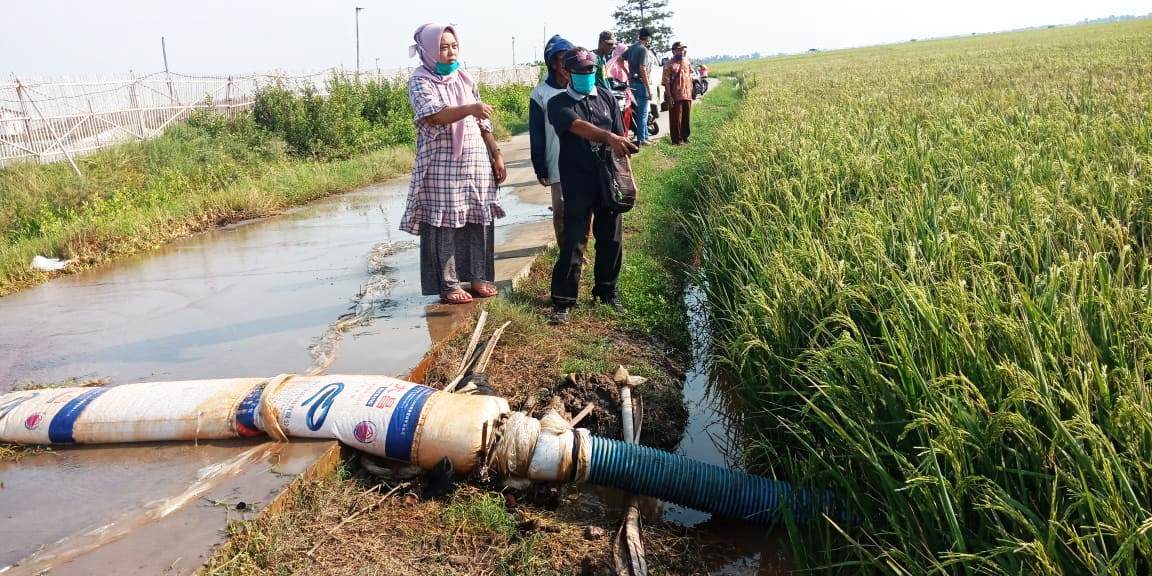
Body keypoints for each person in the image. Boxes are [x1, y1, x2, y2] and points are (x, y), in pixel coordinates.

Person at [401, 23, 507, 305]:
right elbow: (435, 115)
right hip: (441, 166)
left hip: (475, 164)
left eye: (454, 46)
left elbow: (483, 122)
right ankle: (448, 285)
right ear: (428, 50)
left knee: (478, 219)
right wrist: (469, 109)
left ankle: (478, 276)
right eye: (443, 48)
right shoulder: (420, 80)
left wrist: (495, 153)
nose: (450, 53)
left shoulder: (465, 78)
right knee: (444, 224)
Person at [546, 48, 638, 324]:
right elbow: (577, 126)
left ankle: (606, 292)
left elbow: (621, 138)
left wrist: (629, 178)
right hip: (577, 178)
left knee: (611, 236)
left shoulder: (606, 96)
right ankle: (564, 301)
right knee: (574, 239)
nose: (586, 75)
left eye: (590, 70)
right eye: (580, 71)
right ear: (566, 72)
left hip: (608, 177)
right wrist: (608, 137)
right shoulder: (558, 102)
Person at [530, 34, 574, 246]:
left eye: (569, 58)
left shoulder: (580, 88)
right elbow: (536, 132)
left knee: (584, 209)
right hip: (556, 161)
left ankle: (580, 248)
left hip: (583, 160)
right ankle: (566, 251)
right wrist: (540, 166)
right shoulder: (540, 93)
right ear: (553, 63)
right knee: (560, 211)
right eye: (561, 59)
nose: (565, 64)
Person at [622, 27, 654, 145]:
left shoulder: (632, 48)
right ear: (648, 38)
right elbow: (643, 68)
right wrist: (648, 88)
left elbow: (621, 59)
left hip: (632, 83)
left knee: (640, 111)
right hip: (641, 83)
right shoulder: (644, 50)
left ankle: (645, 135)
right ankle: (642, 139)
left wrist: (628, 73)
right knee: (643, 113)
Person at [662, 41, 694, 145]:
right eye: (679, 49)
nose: (682, 51)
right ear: (673, 51)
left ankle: (685, 137)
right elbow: (666, 82)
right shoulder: (668, 65)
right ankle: (676, 140)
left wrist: (692, 90)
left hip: (687, 94)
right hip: (676, 96)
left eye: (683, 49)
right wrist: (669, 97)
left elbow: (690, 76)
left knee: (686, 117)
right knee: (676, 119)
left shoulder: (686, 62)